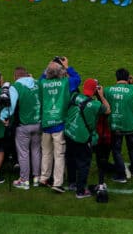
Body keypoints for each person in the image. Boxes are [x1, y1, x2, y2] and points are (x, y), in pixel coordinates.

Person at [38, 57, 80, 193]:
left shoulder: (43, 83)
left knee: (46, 152)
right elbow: (77, 78)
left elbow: (41, 78)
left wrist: (49, 67)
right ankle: (57, 183)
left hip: (46, 123)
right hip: (59, 124)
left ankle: (44, 177)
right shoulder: (65, 83)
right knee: (59, 155)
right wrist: (67, 67)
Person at [65, 78, 111, 199]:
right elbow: (108, 110)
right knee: (83, 164)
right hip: (82, 137)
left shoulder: (74, 96)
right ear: (95, 90)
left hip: (69, 133)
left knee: (71, 159)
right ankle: (80, 191)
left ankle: (71, 183)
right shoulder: (96, 105)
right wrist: (101, 96)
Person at [0, 67, 42, 190]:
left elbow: (11, 107)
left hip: (23, 126)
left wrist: (3, 116)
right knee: (36, 151)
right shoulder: (37, 83)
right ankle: (36, 178)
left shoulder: (15, 87)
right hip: (38, 123)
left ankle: (24, 180)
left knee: (23, 153)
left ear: (15, 76)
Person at [104, 68, 133, 183]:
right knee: (132, 148)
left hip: (116, 124)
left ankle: (121, 176)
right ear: (128, 78)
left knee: (116, 150)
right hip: (131, 124)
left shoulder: (108, 90)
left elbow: (102, 102)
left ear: (116, 78)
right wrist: (131, 84)